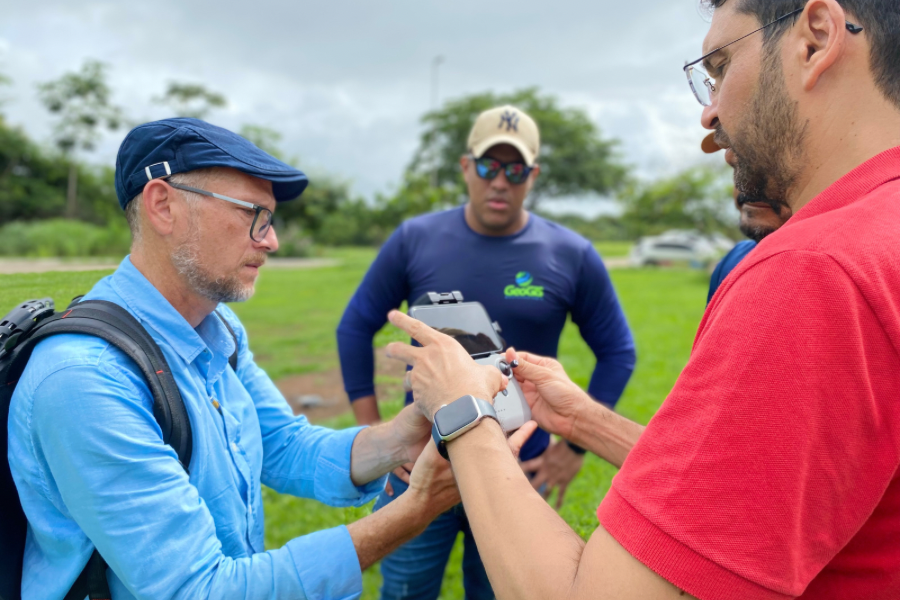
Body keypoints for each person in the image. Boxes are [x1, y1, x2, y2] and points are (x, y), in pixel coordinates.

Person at [385, 0, 900, 598]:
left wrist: (463, 411)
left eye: (720, 66)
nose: (708, 114)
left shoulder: (812, 269)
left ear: (815, 37)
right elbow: (752, 493)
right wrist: (583, 420)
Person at [6, 118, 536, 600]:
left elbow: (282, 445)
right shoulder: (86, 381)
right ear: (163, 205)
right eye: (254, 215)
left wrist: (402, 436)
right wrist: (414, 509)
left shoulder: (218, 329)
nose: (273, 240)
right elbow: (199, 590)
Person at [337, 105, 635, 599]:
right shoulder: (415, 240)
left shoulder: (571, 253)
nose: (500, 181)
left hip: (518, 466)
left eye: (515, 169)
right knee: (407, 590)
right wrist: (376, 434)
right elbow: (354, 327)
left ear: (533, 174)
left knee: (502, 591)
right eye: (488, 166)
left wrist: (574, 448)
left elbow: (618, 351)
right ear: (465, 167)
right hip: (424, 460)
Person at [702, 132, 792, 303]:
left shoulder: (834, 272)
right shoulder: (733, 260)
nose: (748, 185)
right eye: (739, 168)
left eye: (774, 168)